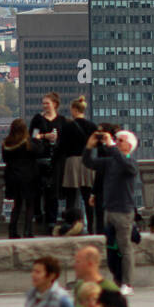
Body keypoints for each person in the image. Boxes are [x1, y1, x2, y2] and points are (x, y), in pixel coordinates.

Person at [83, 128, 140, 294]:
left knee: (125, 247)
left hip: (124, 210)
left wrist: (111, 146)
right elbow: (89, 163)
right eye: (116, 139)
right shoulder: (110, 161)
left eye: (120, 140)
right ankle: (117, 279)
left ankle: (127, 283)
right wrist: (89, 146)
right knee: (111, 248)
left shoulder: (130, 162)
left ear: (129, 145)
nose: (116, 142)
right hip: (109, 209)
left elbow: (129, 167)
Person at [58, 98, 97, 231]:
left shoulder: (67, 126)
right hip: (88, 162)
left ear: (75, 110)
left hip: (72, 162)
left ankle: (70, 226)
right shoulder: (92, 126)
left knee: (71, 198)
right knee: (88, 198)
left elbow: (61, 146)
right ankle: (92, 226)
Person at [29, 92, 67, 227]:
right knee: (38, 190)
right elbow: (33, 137)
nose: (44, 106)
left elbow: (65, 140)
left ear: (55, 104)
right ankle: (38, 215)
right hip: (40, 159)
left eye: (47, 103)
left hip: (56, 160)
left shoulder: (62, 120)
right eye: (43, 103)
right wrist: (46, 136)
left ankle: (52, 220)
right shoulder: (38, 119)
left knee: (53, 192)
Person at [2, 118, 40, 239]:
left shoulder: (6, 143)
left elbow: (5, 159)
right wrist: (37, 139)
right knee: (29, 204)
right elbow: (39, 151)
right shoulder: (28, 143)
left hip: (12, 176)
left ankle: (12, 231)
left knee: (17, 205)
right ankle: (28, 231)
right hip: (28, 177)